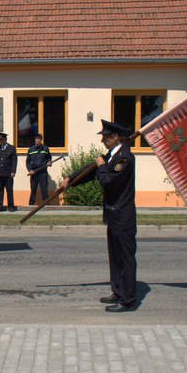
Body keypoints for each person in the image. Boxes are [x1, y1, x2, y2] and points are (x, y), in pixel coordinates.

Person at [59, 119, 137, 312]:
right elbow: (90, 170)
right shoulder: (112, 156)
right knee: (115, 256)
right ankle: (118, 291)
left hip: (122, 215)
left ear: (115, 137)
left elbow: (108, 181)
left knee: (125, 258)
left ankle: (127, 299)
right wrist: (70, 179)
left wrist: (102, 166)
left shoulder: (125, 158)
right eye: (102, 137)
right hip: (112, 215)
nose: (103, 141)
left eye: (106, 137)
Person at [26, 133, 52, 205]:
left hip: (43, 172)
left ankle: (46, 203)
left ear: (41, 140)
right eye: (36, 139)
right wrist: (30, 170)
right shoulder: (31, 149)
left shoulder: (45, 148)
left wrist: (49, 162)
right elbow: (27, 162)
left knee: (44, 188)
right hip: (34, 172)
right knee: (33, 189)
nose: (37, 141)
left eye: (38, 139)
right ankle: (31, 203)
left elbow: (49, 157)